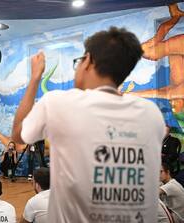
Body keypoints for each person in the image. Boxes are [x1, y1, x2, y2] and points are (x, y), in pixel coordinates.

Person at [12, 27, 165, 222]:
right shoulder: (151, 115)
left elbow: (18, 135)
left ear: (88, 61)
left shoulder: (58, 103)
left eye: (78, 61)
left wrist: (34, 79)